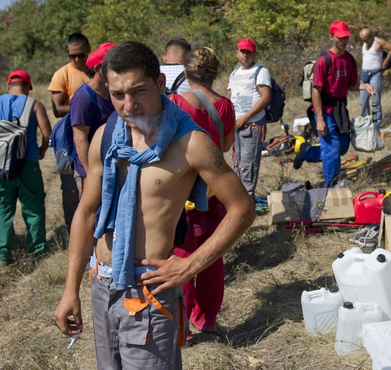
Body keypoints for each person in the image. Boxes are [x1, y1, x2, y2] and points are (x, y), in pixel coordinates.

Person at [53, 42, 255, 369]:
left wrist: (192, 265)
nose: (128, 105)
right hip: (102, 284)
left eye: (138, 91)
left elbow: (242, 209)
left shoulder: (191, 143)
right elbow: (87, 212)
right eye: (117, 95)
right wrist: (69, 289)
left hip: (150, 292)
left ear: (161, 84)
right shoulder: (106, 138)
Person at [170, 47, 235, 339]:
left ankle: (180, 324)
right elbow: (224, 147)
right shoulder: (225, 106)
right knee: (212, 255)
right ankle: (206, 319)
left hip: (184, 189)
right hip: (215, 189)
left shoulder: (175, 103)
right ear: (216, 74)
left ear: (185, 73)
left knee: (182, 253)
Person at [0, 70, 52, 266]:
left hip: (1, 163)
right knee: (33, 206)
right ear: (29, 86)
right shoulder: (34, 104)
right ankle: (38, 251)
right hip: (27, 163)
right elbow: (47, 134)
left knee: (2, 205)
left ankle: (1, 254)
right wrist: (42, 150)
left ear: (8, 86)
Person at [293, 20, 377, 187]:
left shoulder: (350, 60)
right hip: (324, 109)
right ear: (331, 37)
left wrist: (364, 86)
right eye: (339, 37)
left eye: (345, 37)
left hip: (340, 109)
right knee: (332, 149)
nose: (343, 41)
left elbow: (350, 85)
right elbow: (316, 90)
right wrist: (320, 119)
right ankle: (330, 187)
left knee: (342, 147)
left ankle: (308, 152)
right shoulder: (324, 60)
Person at [48, 32, 90, 229]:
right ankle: (71, 229)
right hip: (70, 136)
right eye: (72, 55)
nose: (76, 59)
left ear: (88, 51)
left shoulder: (94, 71)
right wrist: (84, 107)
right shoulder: (62, 74)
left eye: (80, 55)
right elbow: (57, 109)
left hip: (94, 135)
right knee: (71, 187)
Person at [227, 38, 271, 198]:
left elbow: (265, 98)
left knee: (248, 163)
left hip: (252, 125)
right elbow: (229, 96)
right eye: (242, 51)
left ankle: (247, 198)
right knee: (237, 162)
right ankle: (238, 198)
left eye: (248, 52)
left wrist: (246, 117)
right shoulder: (234, 73)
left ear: (254, 53)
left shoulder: (261, 72)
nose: (245, 55)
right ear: (237, 53)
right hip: (236, 125)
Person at [71, 42, 116, 197]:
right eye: (114, 66)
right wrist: (91, 174)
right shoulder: (84, 97)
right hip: (91, 172)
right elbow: (80, 138)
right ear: (98, 70)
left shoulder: (113, 93)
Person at [358, 28, 391, 127]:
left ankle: (377, 123)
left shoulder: (378, 42)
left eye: (366, 39)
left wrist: (385, 62)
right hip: (364, 73)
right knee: (363, 100)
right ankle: (366, 122)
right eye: (363, 40)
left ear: (371, 36)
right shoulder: (364, 44)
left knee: (375, 99)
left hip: (375, 73)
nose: (364, 42)